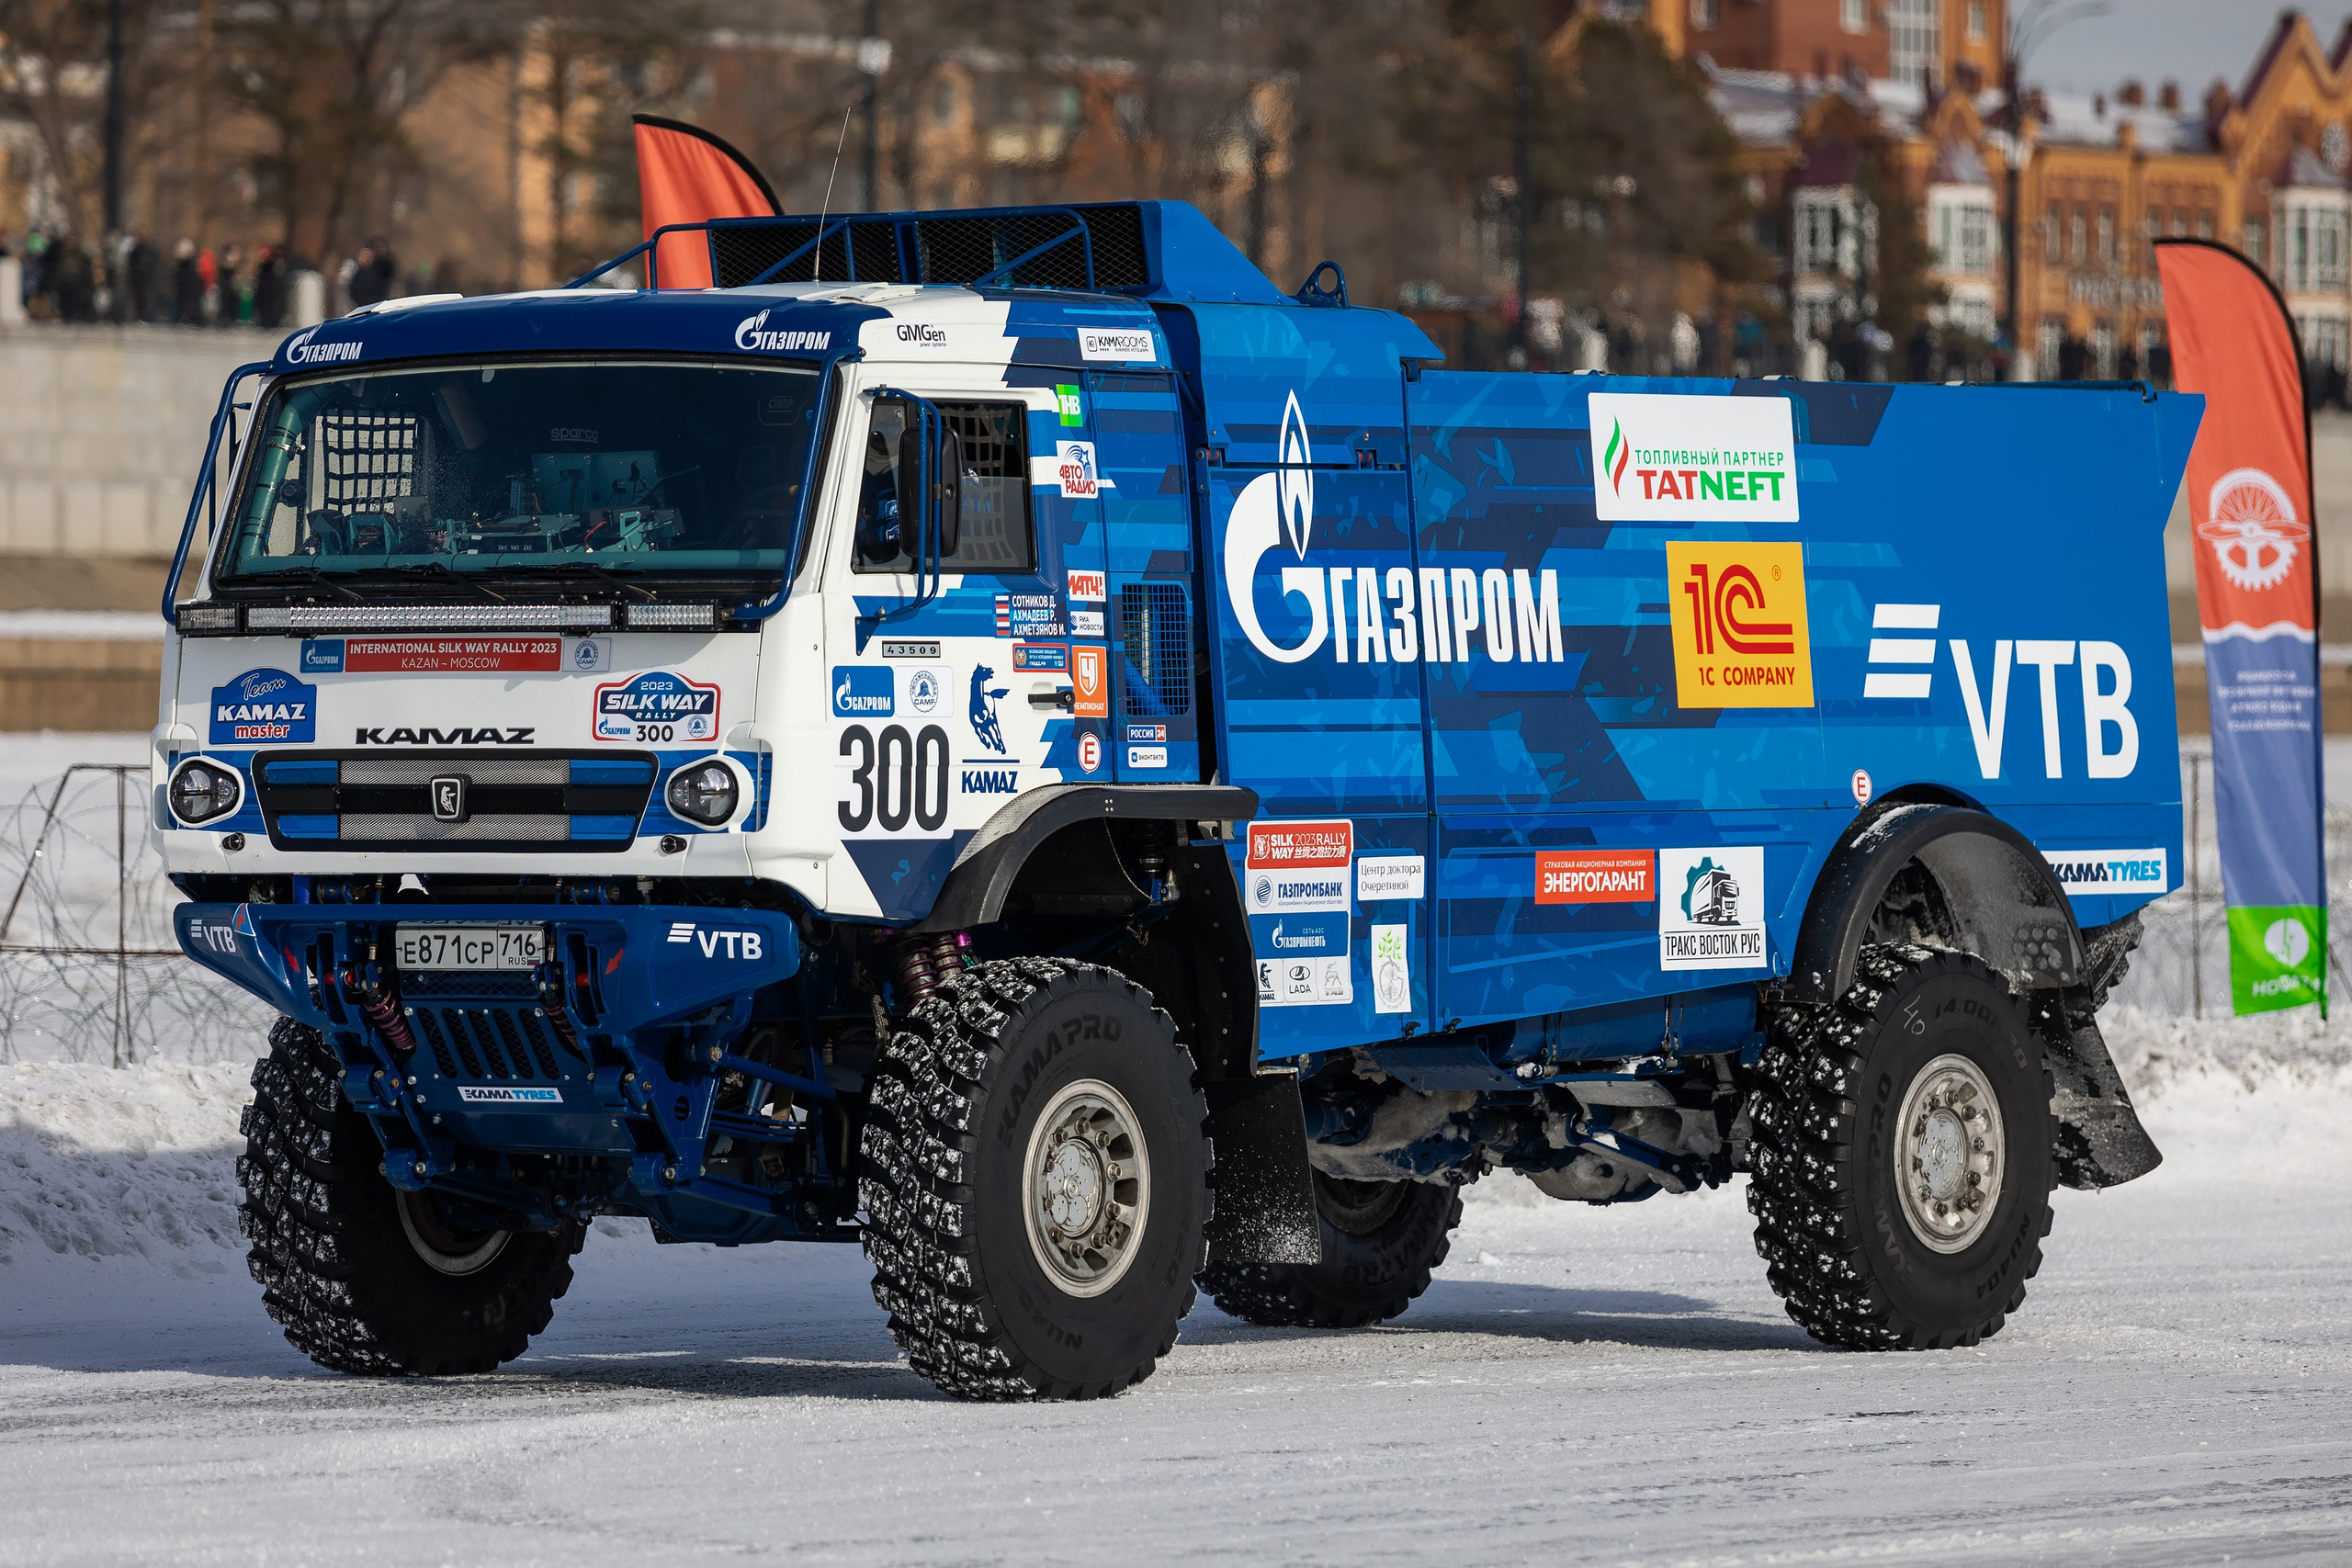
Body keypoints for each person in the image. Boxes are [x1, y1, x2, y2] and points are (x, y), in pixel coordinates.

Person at [254, 243, 288, 328]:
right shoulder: (265, 265)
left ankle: (271, 321)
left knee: (272, 306)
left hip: (272, 291)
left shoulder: (275, 264)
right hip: (266, 291)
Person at [171, 238, 199, 324]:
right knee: (180, 299)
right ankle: (180, 316)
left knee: (189, 300)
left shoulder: (191, 263)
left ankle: (189, 317)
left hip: (188, 283)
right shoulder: (179, 264)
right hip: (181, 283)